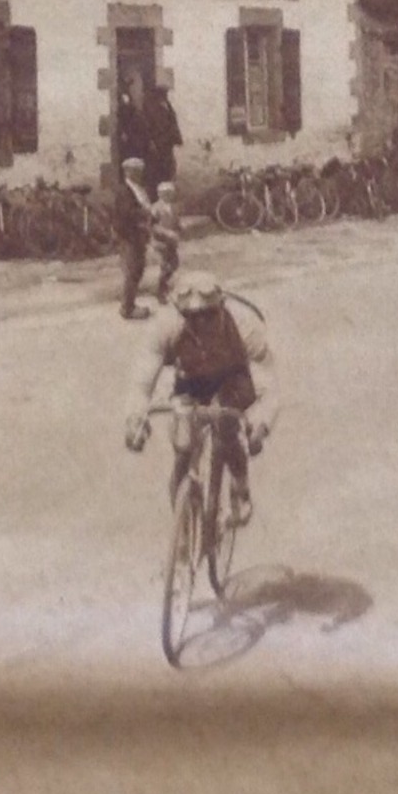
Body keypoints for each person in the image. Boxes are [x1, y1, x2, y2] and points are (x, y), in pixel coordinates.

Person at [125, 271, 278, 528]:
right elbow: (142, 381)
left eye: (209, 314)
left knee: (227, 429)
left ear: (221, 307)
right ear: (180, 313)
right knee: (183, 452)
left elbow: (268, 387)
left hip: (234, 377)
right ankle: (182, 537)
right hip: (192, 379)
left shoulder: (245, 325)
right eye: (192, 317)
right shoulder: (166, 325)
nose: (202, 323)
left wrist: (261, 425)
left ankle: (240, 487)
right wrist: (135, 418)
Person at [115, 157, 154, 321]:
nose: (139, 174)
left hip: (139, 234)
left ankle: (131, 304)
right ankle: (127, 308)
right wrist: (144, 213)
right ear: (127, 172)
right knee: (132, 270)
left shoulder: (139, 188)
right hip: (129, 234)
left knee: (138, 269)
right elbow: (127, 213)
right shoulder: (124, 190)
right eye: (135, 171)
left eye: (140, 170)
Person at [143, 86, 184, 200]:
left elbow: (173, 123)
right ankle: (156, 198)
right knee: (158, 173)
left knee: (168, 170)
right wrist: (152, 142)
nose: (165, 96)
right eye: (163, 94)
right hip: (158, 145)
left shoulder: (167, 106)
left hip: (167, 144)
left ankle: (166, 197)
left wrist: (176, 138)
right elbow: (148, 127)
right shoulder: (151, 108)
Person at [148, 181, 182, 305]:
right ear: (160, 194)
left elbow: (176, 222)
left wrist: (179, 229)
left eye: (171, 193)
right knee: (165, 266)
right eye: (166, 193)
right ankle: (161, 292)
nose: (170, 196)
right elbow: (152, 225)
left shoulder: (174, 207)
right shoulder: (155, 208)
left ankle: (165, 285)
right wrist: (166, 232)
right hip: (160, 242)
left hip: (171, 242)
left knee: (174, 264)